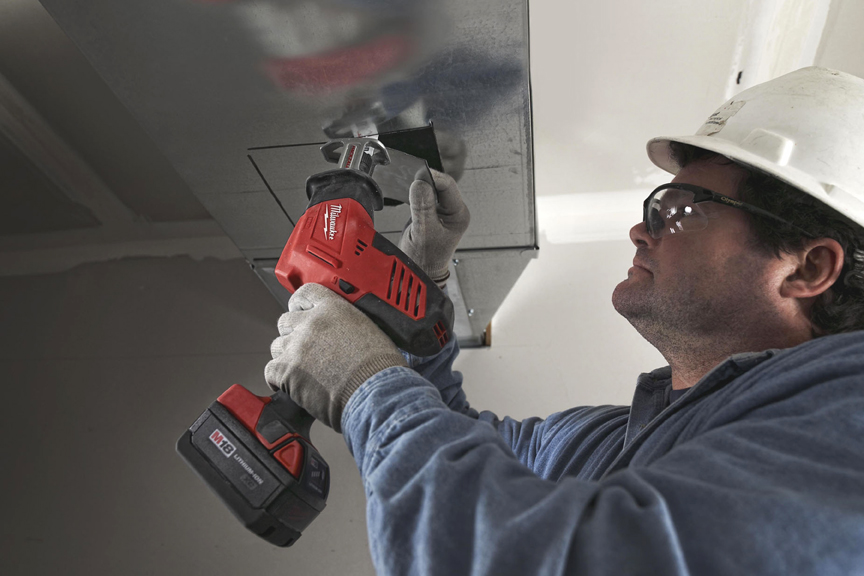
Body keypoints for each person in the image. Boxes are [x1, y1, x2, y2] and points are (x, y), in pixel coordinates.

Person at [264, 66, 864, 575]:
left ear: (807, 267)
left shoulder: (847, 425)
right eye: (653, 205)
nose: (640, 229)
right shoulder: (607, 440)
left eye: (678, 210)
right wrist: (420, 283)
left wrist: (366, 387)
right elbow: (453, 433)